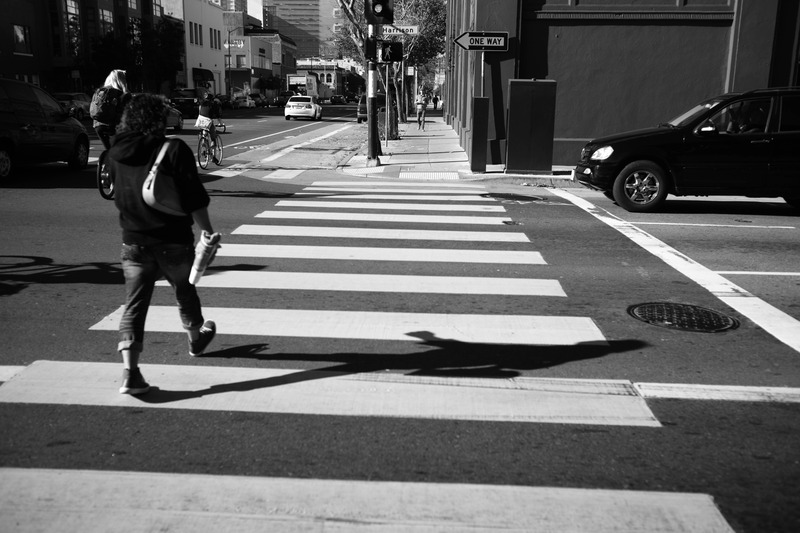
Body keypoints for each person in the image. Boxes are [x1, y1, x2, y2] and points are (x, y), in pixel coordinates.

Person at [108, 93, 219, 395]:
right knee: (184, 290)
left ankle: (130, 373)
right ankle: (196, 339)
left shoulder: (115, 151)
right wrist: (207, 232)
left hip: (133, 241)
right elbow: (194, 197)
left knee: (134, 305)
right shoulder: (172, 149)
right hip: (173, 239)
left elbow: (117, 195)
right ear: (157, 119)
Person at [92, 69, 131, 150]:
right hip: (113, 126)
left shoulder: (99, 91)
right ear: (121, 80)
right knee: (121, 151)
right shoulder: (122, 94)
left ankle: (105, 161)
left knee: (109, 151)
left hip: (98, 126)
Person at [196, 92, 221, 163]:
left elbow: (199, 110)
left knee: (204, 132)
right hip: (208, 121)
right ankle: (213, 157)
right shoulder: (213, 104)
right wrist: (221, 123)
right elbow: (217, 115)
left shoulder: (202, 103)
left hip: (200, 120)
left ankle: (203, 143)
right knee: (213, 137)